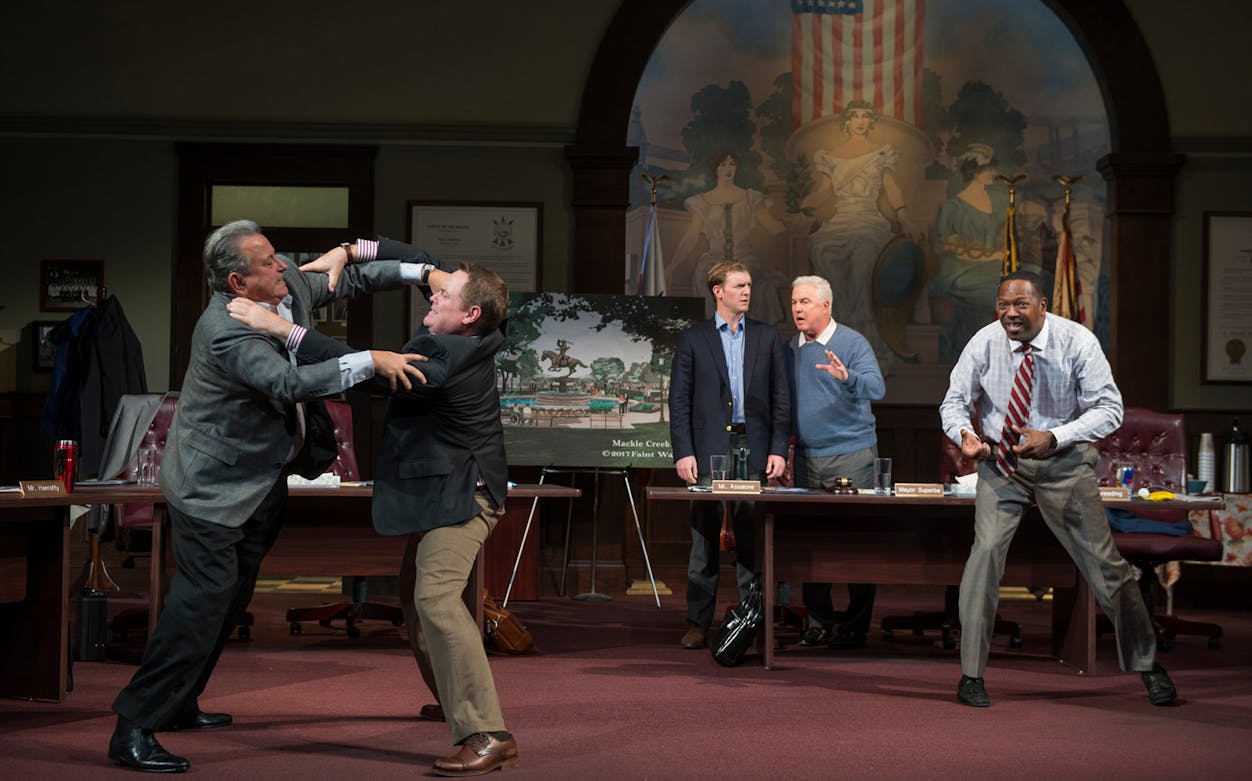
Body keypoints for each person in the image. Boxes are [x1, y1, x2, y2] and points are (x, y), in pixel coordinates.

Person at [107, 221, 426, 773]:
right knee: (198, 608)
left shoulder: (286, 287)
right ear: (237, 282)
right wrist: (371, 360)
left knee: (229, 602)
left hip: (262, 481)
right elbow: (289, 384)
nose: (283, 266)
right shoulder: (226, 330)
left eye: (277, 257)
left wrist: (424, 275)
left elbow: (352, 279)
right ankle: (133, 725)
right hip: (212, 489)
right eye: (268, 262)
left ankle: (180, 703)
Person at [230, 237, 519, 776]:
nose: (432, 295)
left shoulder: (451, 357)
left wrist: (280, 329)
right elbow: (412, 257)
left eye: (444, 294)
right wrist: (346, 253)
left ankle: (487, 731)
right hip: (439, 489)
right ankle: (459, 705)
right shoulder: (461, 321)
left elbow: (364, 368)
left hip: (465, 495)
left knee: (435, 600)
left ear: (470, 313)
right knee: (415, 603)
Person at [939, 270, 1177, 708]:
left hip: (1063, 464)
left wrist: (1056, 436)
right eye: (1004, 305)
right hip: (1003, 464)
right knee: (985, 556)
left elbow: (1110, 410)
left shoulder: (1077, 342)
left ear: (1042, 306)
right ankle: (971, 674)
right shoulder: (984, 342)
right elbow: (954, 400)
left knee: (1106, 566)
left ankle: (1147, 663)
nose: (1011, 313)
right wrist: (962, 432)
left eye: (1021, 305)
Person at [669, 261, 790, 649]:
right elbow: (680, 402)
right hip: (707, 451)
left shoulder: (766, 337)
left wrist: (777, 449)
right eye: (739, 285)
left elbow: (780, 399)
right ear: (718, 291)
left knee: (751, 539)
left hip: (753, 447)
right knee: (703, 540)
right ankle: (697, 623)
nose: (747, 291)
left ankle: (749, 621)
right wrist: (684, 452)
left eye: (749, 285)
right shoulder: (693, 339)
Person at [785, 275, 885, 650]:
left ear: (826, 306)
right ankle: (818, 623)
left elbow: (877, 388)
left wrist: (849, 377)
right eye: (794, 301)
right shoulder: (789, 349)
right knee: (813, 545)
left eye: (805, 302)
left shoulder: (852, 343)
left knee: (857, 544)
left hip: (853, 456)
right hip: (808, 459)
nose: (797, 308)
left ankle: (857, 626)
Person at [803, 100, 923, 363]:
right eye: (854, 116)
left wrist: (906, 219)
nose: (860, 120)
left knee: (862, 269)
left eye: (865, 116)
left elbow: (892, 189)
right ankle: (837, 347)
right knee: (827, 261)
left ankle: (864, 351)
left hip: (869, 221)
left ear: (871, 122)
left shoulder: (881, 154)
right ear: (846, 122)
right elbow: (823, 191)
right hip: (839, 222)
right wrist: (804, 202)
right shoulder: (830, 155)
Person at [669, 151, 791, 329]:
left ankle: (744, 332)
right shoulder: (701, 201)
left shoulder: (751, 197)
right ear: (715, 169)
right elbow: (691, 236)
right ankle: (714, 331)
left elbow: (771, 226)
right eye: (723, 164)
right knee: (703, 276)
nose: (728, 168)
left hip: (745, 259)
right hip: (713, 259)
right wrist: (672, 265)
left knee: (740, 280)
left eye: (732, 164)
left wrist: (794, 221)